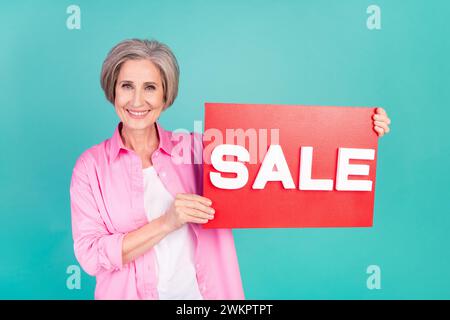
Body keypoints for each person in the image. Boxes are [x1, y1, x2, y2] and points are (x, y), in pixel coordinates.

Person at [69, 38, 391, 300]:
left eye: (150, 87)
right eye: (127, 86)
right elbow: (92, 256)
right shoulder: (91, 168)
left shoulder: (201, 151)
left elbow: (289, 154)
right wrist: (168, 222)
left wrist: (361, 131)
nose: (137, 100)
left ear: (166, 95)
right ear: (112, 90)